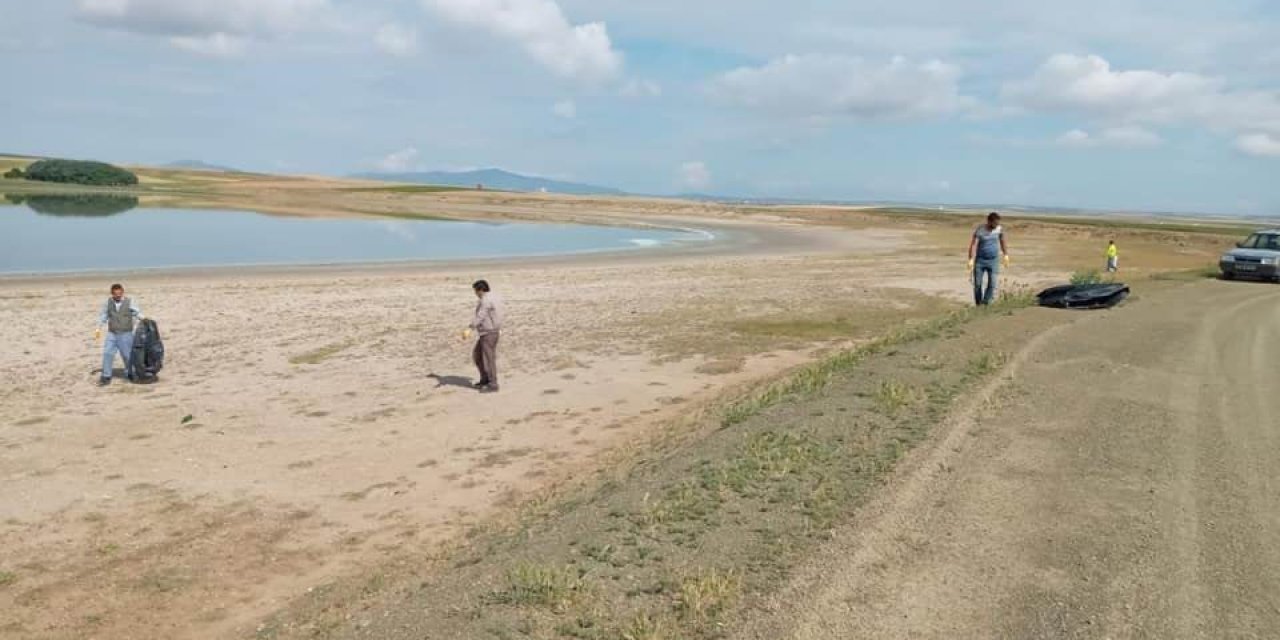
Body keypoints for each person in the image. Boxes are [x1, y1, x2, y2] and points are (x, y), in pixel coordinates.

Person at [96, 283, 141, 386]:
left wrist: (145, 319)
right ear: (112, 294)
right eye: (116, 294)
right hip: (112, 333)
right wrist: (98, 327)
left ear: (122, 292)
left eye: (120, 293)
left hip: (126, 333)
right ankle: (106, 376)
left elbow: (137, 313)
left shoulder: (130, 302)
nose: (118, 296)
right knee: (107, 353)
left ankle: (130, 373)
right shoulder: (108, 302)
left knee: (127, 355)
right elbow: (104, 315)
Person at [466, 279, 503, 393]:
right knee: (477, 356)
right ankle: (485, 379)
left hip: (489, 333)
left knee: (488, 359)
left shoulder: (486, 300)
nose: (475, 293)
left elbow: (481, 316)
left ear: (481, 290)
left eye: (475, 291)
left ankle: (493, 384)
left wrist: (470, 328)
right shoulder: (493, 297)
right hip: (488, 332)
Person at [967, 212, 1010, 306]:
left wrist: (1006, 255)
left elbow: (1002, 241)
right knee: (977, 285)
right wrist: (971, 259)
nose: (996, 225)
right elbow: (974, 245)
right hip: (980, 261)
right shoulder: (980, 230)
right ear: (989, 221)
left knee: (992, 284)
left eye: (997, 223)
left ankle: (985, 303)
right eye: (994, 223)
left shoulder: (999, 229)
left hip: (993, 261)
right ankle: (978, 305)